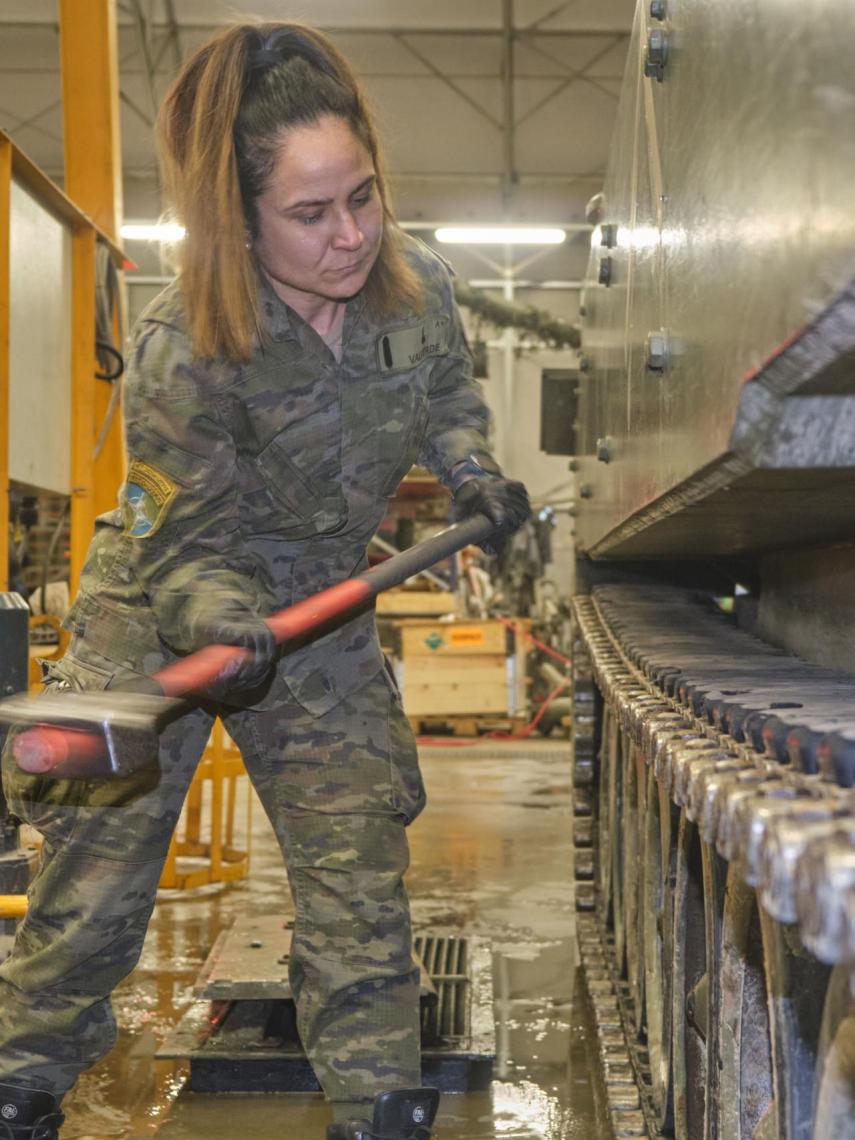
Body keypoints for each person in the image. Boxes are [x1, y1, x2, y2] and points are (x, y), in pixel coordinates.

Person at [0, 21, 530, 1140]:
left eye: (363, 198)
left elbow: (443, 401)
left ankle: (376, 1099)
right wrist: (218, 624)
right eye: (310, 214)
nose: (350, 236)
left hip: (321, 605)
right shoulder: (183, 340)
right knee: (94, 869)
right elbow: (184, 543)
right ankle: (29, 1074)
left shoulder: (414, 290)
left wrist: (477, 473)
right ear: (239, 222)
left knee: (356, 861)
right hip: (165, 607)